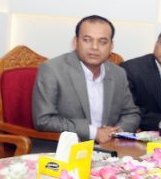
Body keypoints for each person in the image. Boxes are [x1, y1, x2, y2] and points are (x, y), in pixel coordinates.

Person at [32, 15, 141, 145]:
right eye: (87, 40)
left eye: (102, 42)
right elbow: (43, 120)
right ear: (75, 42)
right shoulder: (52, 70)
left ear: (111, 46)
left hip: (109, 149)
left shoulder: (118, 73)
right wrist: (94, 132)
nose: (94, 47)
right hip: (63, 150)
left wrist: (117, 131)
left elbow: (132, 113)